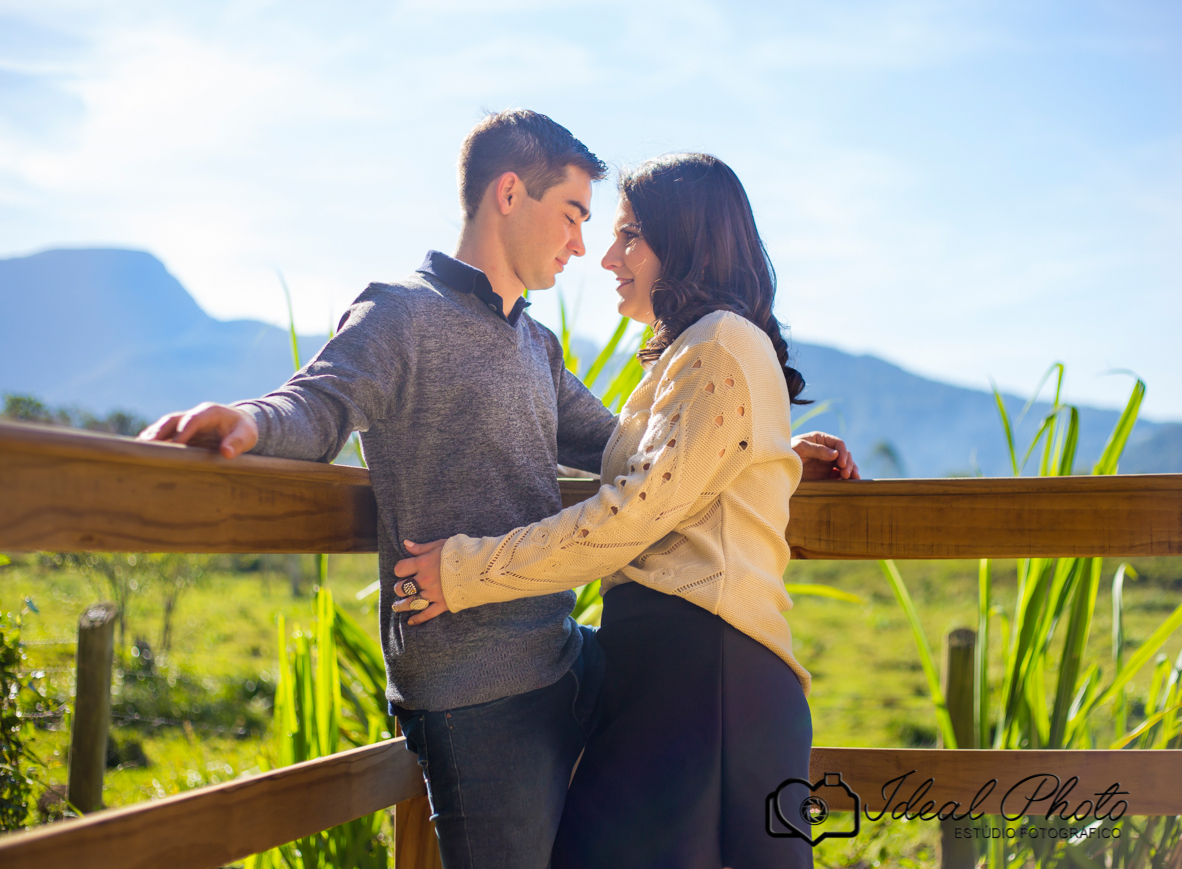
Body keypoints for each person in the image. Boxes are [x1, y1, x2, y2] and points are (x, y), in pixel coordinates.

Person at [140, 112, 854, 867]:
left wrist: (761, 448)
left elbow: (647, 455)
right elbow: (318, 402)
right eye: (575, 215)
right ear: (509, 193)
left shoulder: (535, 345)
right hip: (474, 682)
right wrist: (248, 420)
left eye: (604, 226)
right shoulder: (401, 313)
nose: (586, 246)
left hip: (566, 661)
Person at [392, 152, 858, 869]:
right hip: (682, 674)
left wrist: (463, 572)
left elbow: (632, 514)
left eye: (630, 234)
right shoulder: (700, 351)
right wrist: (766, 445)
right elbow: (682, 470)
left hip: (703, 675)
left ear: (689, 241)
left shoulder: (721, 343)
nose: (608, 256)